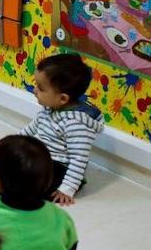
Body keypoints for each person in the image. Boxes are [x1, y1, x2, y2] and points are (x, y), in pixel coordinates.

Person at [23, 53, 104, 205]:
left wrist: (67, 189)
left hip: (59, 169)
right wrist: (10, 148)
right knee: (18, 163)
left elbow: (78, 159)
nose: (35, 90)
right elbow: (28, 132)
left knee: (32, 186)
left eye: (40, 88)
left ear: (63, 99)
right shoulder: (49, 109)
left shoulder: (76, 124)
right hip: (42, 158)